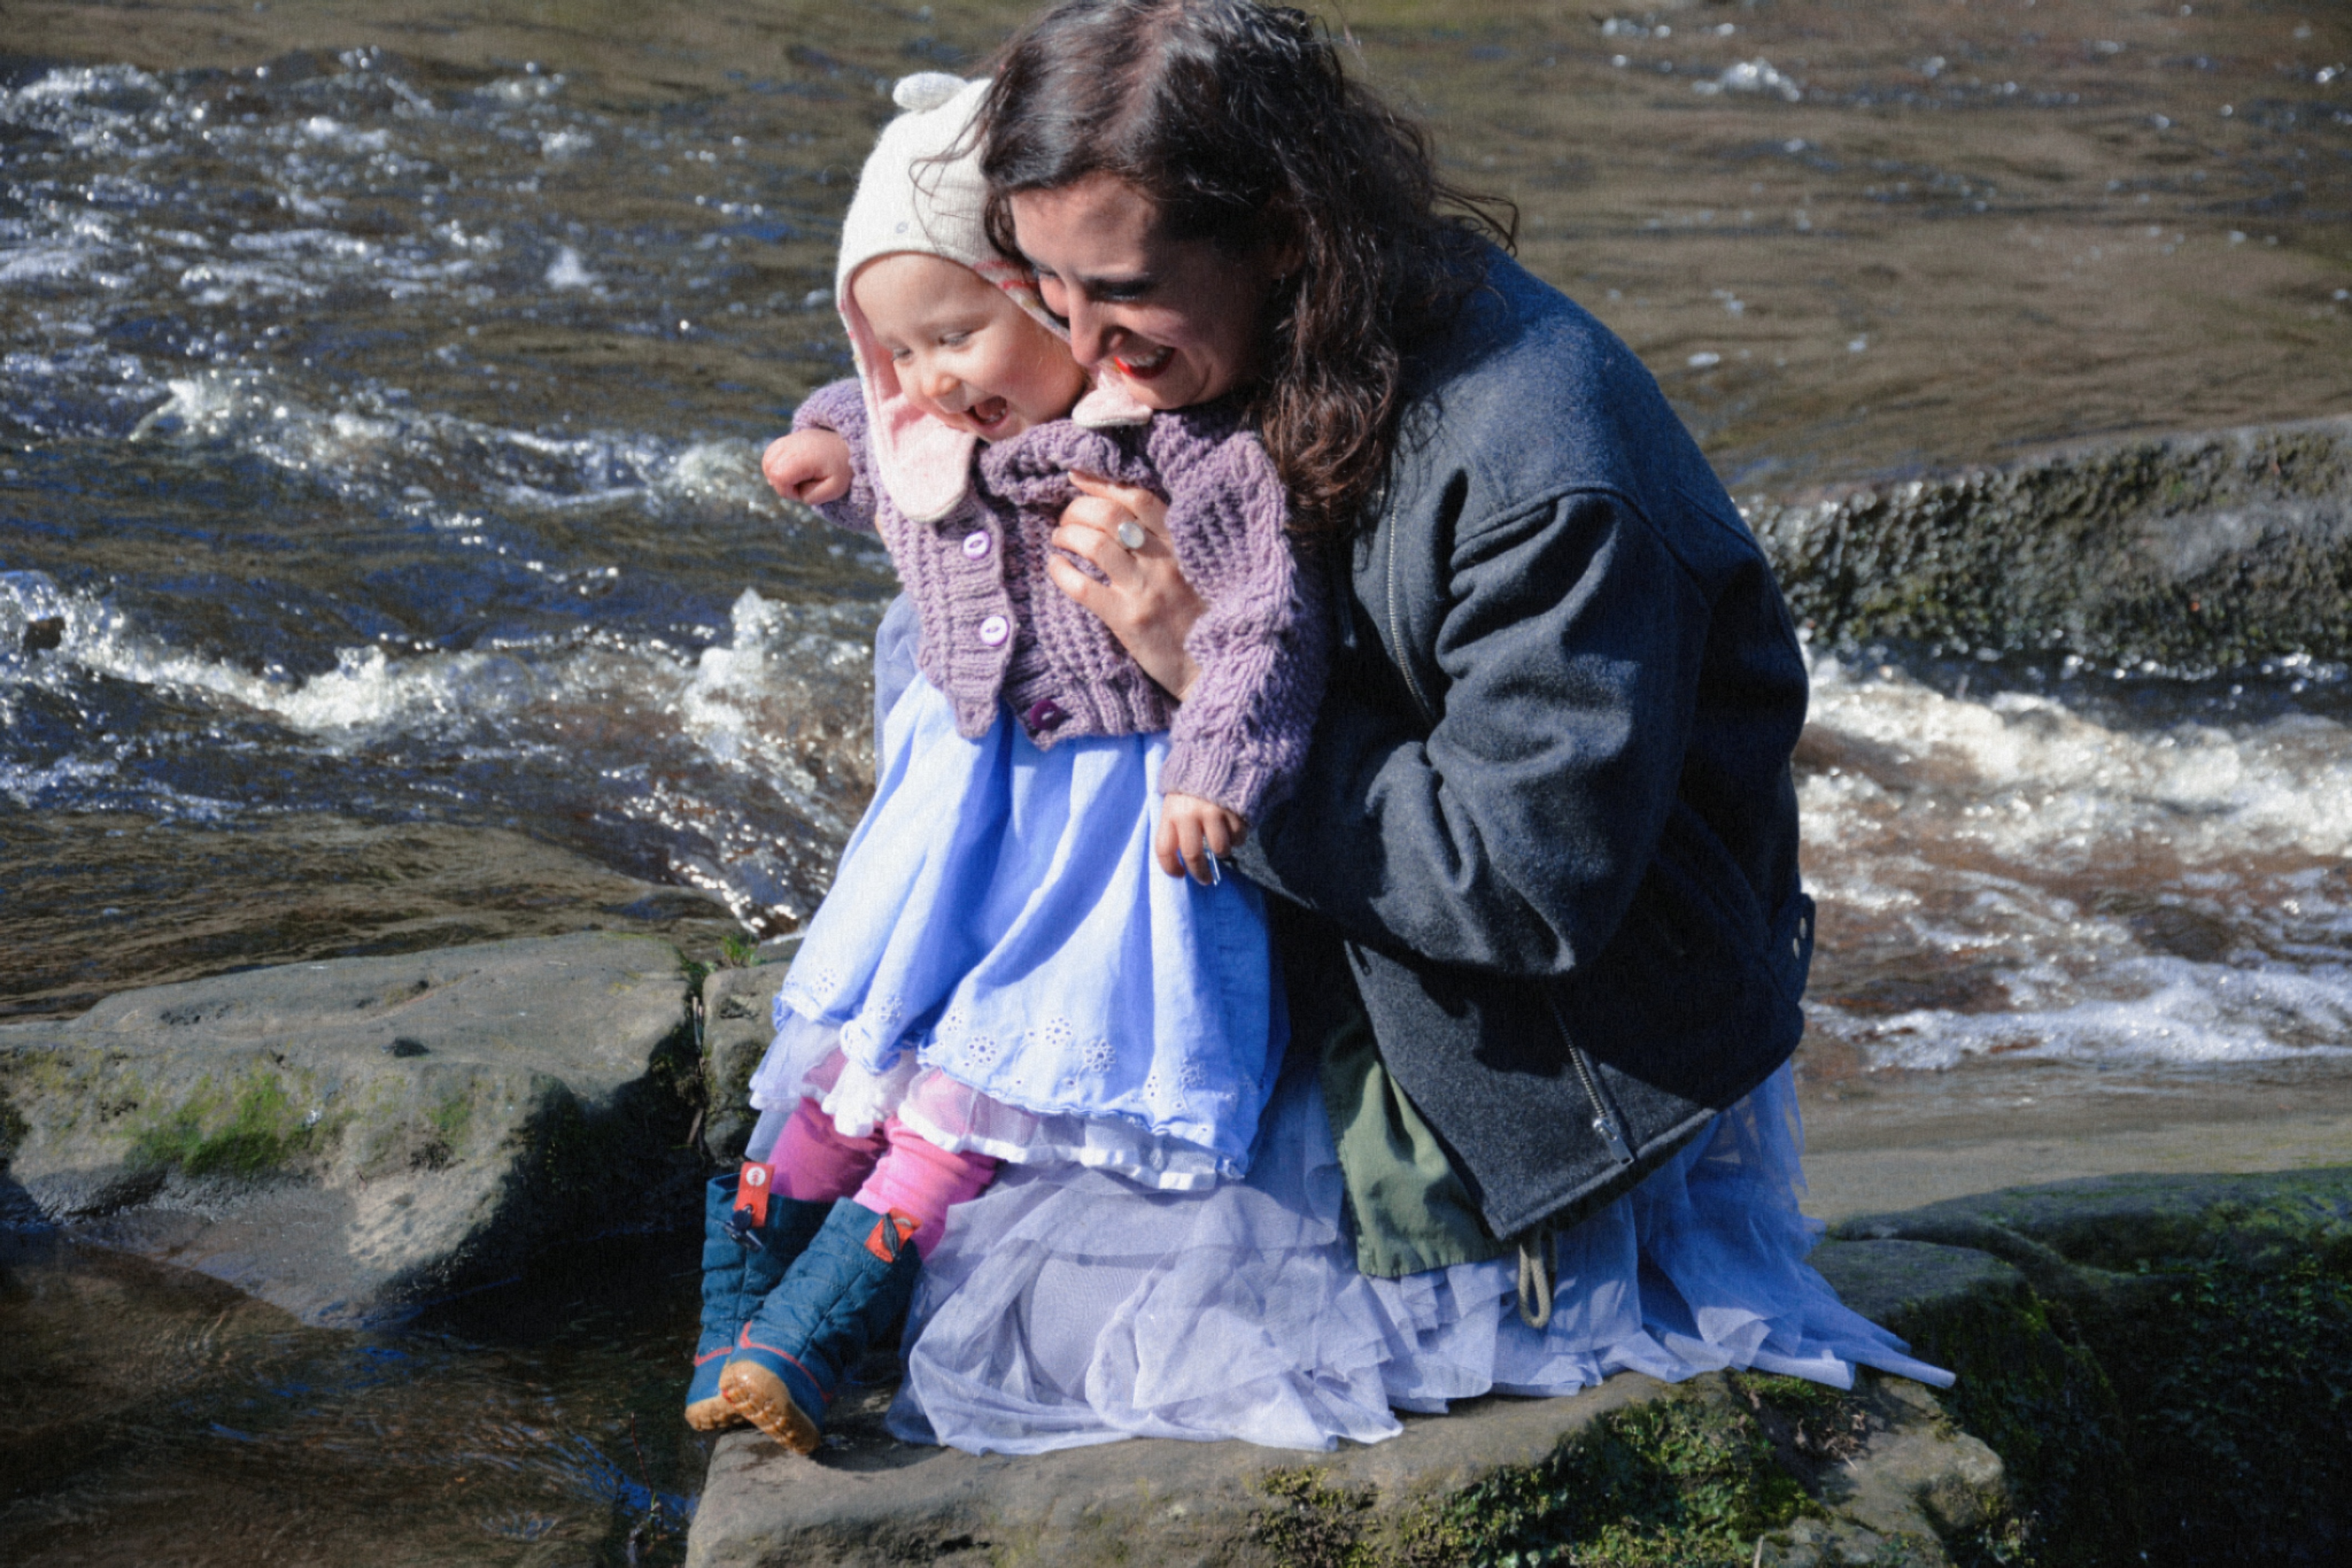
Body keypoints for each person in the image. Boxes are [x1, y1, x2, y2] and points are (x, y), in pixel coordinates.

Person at [837, 0, 1951, 1455]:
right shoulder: (1256, 338)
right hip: (1343, 925)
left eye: (1120, 293)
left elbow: (1523, 887)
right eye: (1039, 284)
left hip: (1548, 1046)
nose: (1076, 341)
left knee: (1058, 1315)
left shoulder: (1543, 471)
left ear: (1284, 232)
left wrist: (1194, 667)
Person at [683, 70, 1329, 1455]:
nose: (930, 380)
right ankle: (735, 1309)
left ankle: (816, 1332)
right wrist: (826, 442)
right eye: (899, 352)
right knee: (866, 1053)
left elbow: (1267, 625)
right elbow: (871, 423)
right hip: (962, 808)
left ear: (1045, 298)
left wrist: (1217, 761)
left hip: (1106, 823)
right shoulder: (928, 418)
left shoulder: (1180, 447)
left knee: (995, 1075)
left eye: (958, 334)